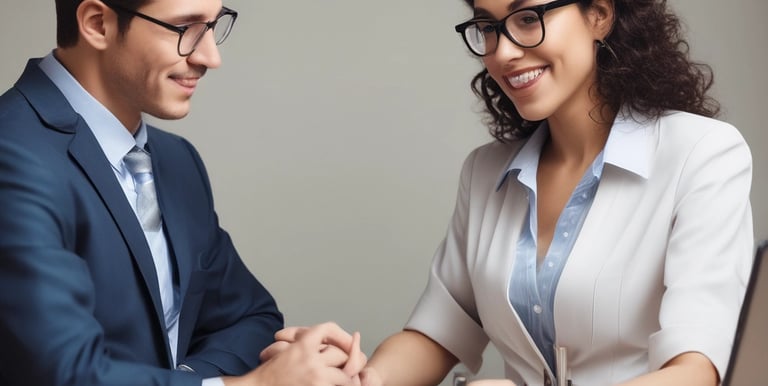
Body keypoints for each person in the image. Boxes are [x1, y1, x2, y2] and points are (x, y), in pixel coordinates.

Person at [269, 0, 754, 385]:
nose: (502, 51)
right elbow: (437, 333)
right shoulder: (485, 173)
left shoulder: (703, 155)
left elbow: (696, 371)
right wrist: (358, 378)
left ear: (600, 15)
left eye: (528, 18)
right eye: (488, 27)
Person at [0, 0, 364, 385]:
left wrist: (197, 378)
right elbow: (62, 373)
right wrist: (254, 384)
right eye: (184, 28)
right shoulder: (13, 154)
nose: (211, 56)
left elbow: (252, 317)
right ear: (97, 24)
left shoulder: (177, 160)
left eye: (213, 25)